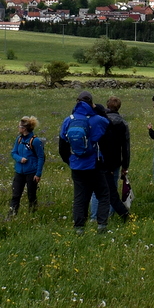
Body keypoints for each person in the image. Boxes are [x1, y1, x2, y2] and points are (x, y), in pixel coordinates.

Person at [58, 90, 109, 231]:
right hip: (95, 165)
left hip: (77, 165)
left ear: (77, 102)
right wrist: (97, 110)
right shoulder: (97, 120)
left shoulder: (68, 120)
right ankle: (101, 225)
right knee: (103, 194)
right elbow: (108, 125)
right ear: (91, 103)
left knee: (80, 198)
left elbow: (62, 148)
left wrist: (71, 161)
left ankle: (79, 227)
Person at [95, 96, 133, 223]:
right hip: (116, 160)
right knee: (113, 188)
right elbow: (126, 147)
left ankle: (95, 215)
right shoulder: (122, 123)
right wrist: (125, 165)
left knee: (97, 189)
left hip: (99, 159)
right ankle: (110, 213)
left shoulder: (100, 121)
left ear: (107, 106)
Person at [8, 116, 45, 216]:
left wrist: (38, 174)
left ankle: (32, 215)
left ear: (24, 128)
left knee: (31, 196)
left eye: (19, 126)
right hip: (19, 172)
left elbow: (41, 157)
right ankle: (11, 215)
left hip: (31, 173)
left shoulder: (35, 141)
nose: (18, 128)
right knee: (16, 195)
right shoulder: (19, 139)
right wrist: (20, 159)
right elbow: (13, 152)